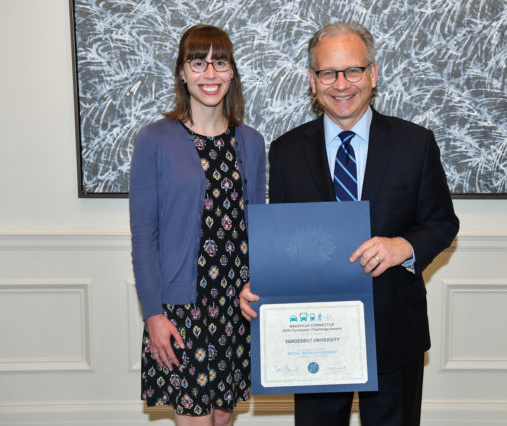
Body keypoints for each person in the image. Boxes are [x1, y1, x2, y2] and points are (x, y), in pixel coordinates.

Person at [240, 22, 459, 426]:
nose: (341, 84)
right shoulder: (286, 151)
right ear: (313, 80)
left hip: (394, 328)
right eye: (328, 73)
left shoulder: (416, 143)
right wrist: (263, 283)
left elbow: (442, 222)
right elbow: (284, 238)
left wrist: (402, 248)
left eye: (352, 71)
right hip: (312, 336)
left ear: (372, 74)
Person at [129, 25, 265, 426]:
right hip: (181, 310)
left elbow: (257, 226)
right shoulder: (154, 140)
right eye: (198, 62)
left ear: (232, 72)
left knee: (222, 418)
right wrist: (153, 315)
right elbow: (143, 237)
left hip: (237, 306)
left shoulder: (252, 142)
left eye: (220, 62)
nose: (210, 73)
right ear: (182, 72)